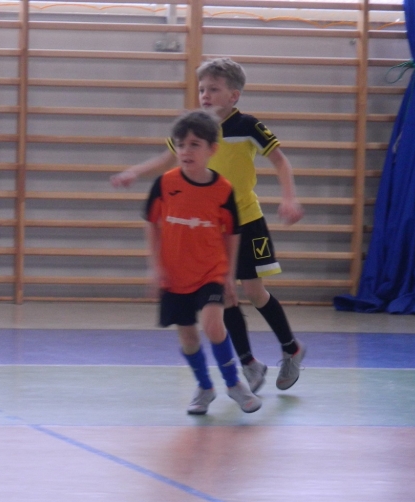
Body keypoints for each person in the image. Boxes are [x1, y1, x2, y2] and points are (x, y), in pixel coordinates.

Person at [114, 57, 306, 392]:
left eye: (213, 89)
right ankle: (249, 363)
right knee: (224, 295)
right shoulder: (197, 130)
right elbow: (167, 160)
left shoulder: (247, 126)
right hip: (212, 230)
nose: (205, 95)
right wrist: (135, 172)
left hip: (247, 221)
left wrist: (289, 198)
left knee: (254, 291)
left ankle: (292, 348)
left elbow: (280, 161)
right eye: (202, 89)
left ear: (233, 95)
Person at [144, 109, 261, 416]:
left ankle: (234, 383)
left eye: (195, 145)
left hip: (211, 270)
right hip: (175, 275)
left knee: (212, 324)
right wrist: (155, 267)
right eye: (181, 145)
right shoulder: (164, 184)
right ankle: (205, 387)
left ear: (212, 149)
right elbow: (151, 223)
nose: (186, 151)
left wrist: (229, 275)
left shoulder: (222, 190)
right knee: (188, 336)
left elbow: (232, 232)